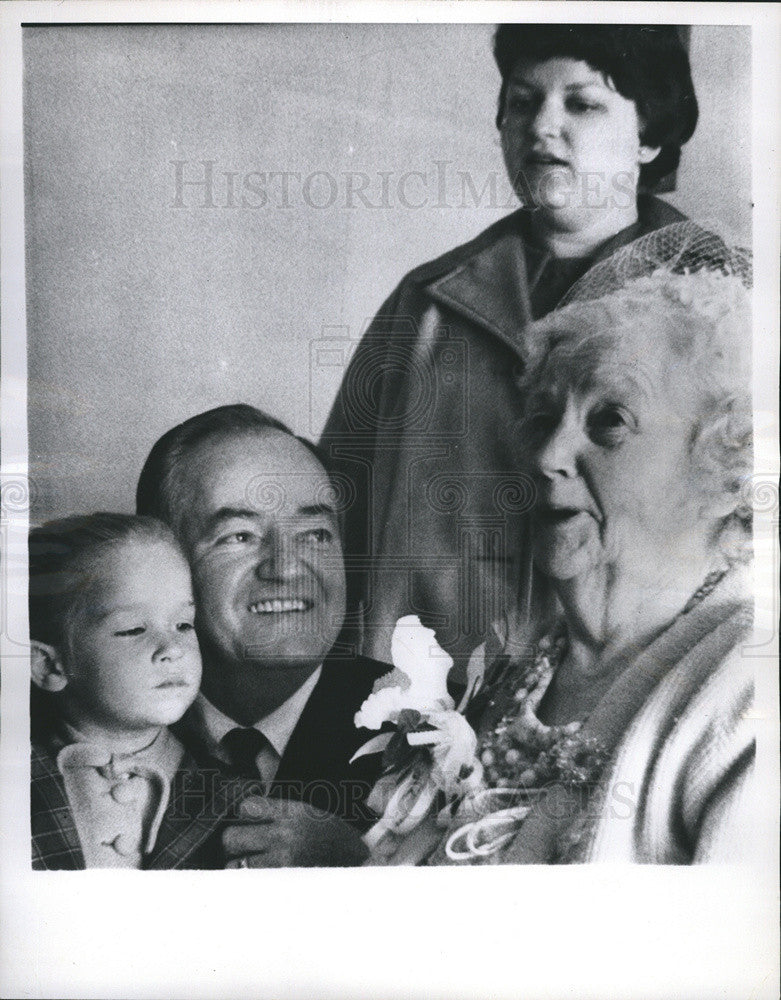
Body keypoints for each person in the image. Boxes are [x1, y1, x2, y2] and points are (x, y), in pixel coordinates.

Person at [321, 24, 700, 669]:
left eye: (581, 104)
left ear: (650, 136)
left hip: (616, 689)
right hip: (423, 701)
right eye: (523, 103)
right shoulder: (428, 300)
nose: (542, 127)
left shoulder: (713, 303)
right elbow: (337, 501)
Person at [430, 262, 755, 865]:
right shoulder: (517, 671)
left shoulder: (750, 693)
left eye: (609, 421)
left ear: (731, 465)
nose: (549, 455)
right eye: (545, 417)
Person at [136, 404, 388, 867]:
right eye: (240, 536)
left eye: (315, 533)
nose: (286, 567)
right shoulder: (97, 725)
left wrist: (357, 866)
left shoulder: (434, 734)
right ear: (160, 567)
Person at [30, 513, 254, 870]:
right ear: (50, 666)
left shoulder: (235, 803)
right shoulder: (15, 790)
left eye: (183, 624)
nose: (173, 648)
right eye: (134, 629)